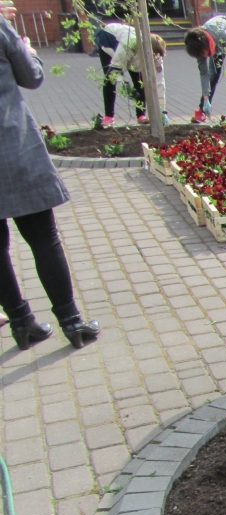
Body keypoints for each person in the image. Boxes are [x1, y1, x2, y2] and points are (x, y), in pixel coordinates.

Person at [0, 10, 100, 349]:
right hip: (12, 148)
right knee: (44, 237)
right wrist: (27, 49)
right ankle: (72, 323)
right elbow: (31, 77)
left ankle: (21, 323)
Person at [94, 21, 167, 129]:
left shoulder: (157, 54)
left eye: (157, 56)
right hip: (109, 41)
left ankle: (141, 115)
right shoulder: (128, 46)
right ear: (146, 50)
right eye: (153, 55)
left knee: (140, 82)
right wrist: (127, 89)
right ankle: (109, 116)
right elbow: (115, 70)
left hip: (134, 57)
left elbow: (160, 82)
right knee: (110, 80)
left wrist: (163, 111)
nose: (155, 58)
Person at [183, 15, 226, 126]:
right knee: (213, 75)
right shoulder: (199, 47)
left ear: (207, 44)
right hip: (216, 44)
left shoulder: (222, 35)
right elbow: (204, 73)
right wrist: (205, 98)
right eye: (203, 55)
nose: (206, 56)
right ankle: (202, 110)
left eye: (206, 53)